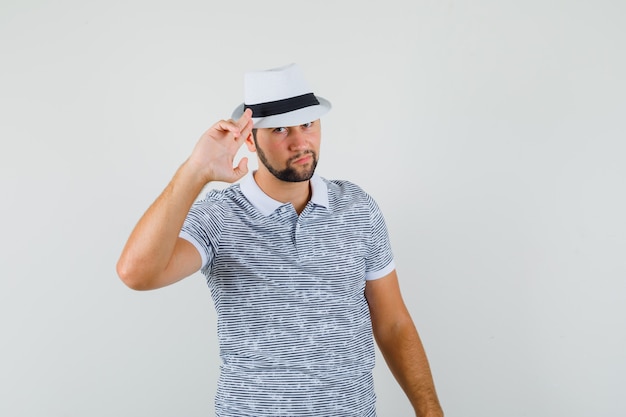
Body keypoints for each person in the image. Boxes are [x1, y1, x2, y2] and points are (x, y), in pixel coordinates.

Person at [117, 63, 443, 417]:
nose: (300, 142)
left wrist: (430, 411)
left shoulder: (357, 207)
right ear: (250, 141)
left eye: (307, 124)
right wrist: (197, 170)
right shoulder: (220, 216)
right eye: (279, 129)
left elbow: (393, 322)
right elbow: (137, 274)